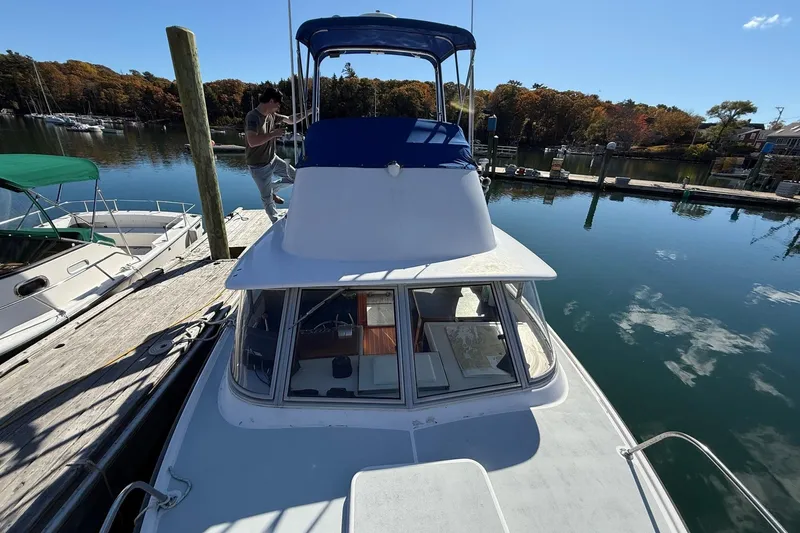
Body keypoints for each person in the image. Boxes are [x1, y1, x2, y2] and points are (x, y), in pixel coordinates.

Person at [244, 87, 308, 222]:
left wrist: (308, 112)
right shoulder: (253, 117)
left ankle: (272, 189)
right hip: (258, 165)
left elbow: (290, 119)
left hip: (272, 159)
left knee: (295, 177)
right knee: (266, 198)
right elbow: (252, 141)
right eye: (278, 104)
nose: (279, 107)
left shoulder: (272, 115)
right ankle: (275, 220)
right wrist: (273, 134)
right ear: (272, 101)